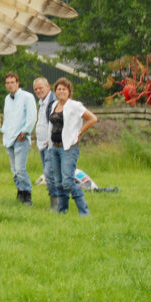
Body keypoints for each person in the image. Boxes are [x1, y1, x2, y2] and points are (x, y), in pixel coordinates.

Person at [46, 78, 97, 216]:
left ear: (69, 91)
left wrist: (79, 133)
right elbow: (52, 124)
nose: (61, 91)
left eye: (64, 89)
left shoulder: (74, 105)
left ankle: (84, 212)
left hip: (68, 147)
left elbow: (92, 118)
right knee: (58, 182)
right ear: (55, 91)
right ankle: (62, 211)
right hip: (54, 147)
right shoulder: (54, 105)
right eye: (58, 89)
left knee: (67, 181)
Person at [1, 72, 38, 205]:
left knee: (20, 168)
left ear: (17, 83)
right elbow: (7, 117)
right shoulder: (7, 99)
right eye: (8, 83)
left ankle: (27, 194)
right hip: (9, 137)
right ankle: (20, 192)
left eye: (12, 82)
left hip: (20, 138)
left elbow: (32, 116)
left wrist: (25, 132)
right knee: (14, 170)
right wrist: (4, 131)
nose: (10, 85)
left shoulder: (27, 97)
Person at [33, 76, 61, 211]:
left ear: (48, 87)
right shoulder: (41, 102)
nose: (38, 91)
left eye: (41, 88)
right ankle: (56, 201)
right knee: (50, 174)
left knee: (49, 173)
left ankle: (56, 204)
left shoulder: (54, 102)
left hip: (51, 143)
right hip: (42, 144)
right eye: (36, 89)